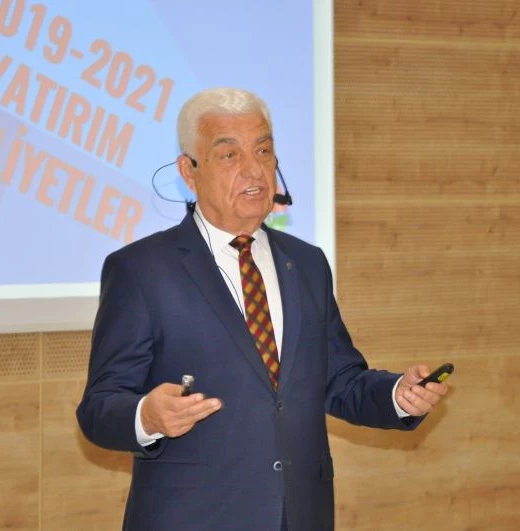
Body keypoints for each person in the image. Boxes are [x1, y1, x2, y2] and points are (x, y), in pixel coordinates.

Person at [76, 87, 449, 531]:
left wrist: (397, 396)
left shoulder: (307, 263)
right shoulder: (141, 270)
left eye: (264, 150)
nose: (253, 169)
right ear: (189, 172)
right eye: (229, 155)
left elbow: (339, 379)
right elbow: (99, 408)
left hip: (299, 516)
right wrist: (146, 416)